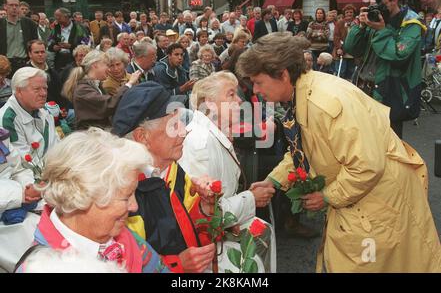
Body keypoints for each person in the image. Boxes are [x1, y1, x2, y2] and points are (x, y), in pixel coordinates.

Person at [237, 32, 441, 272]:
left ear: (282, 74)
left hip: (377, 201)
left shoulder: (323, 103)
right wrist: (272, 181)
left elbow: (366, 166)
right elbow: (302, 150)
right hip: (365, 197)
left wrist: (326, 196)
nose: (256, 89)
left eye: (259, 82)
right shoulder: (305, 91)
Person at [16, 128, 169, 273]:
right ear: (82, 197)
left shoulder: (120, 235)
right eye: (125, 197)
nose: (134, 206)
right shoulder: (42, 267)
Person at [111, 82, 216, 273]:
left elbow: (193, 232)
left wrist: (205, 207)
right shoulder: (123, 193)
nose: (184, 132)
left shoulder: (172, 170)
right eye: (173, 126)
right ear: (142, 136)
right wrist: (176, 265)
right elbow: (124, 263)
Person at [179, 71, 276, 272]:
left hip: (220, 233)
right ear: (209, 104)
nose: (239, 100)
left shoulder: (213, 133)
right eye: (231, 94)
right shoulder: (200, 142)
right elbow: (202, 213)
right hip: (208, 251)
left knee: (263, 230)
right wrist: (251, 197)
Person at [344, 0, 425, 138]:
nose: (377, 9)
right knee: (364, 143)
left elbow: (398, 55)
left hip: (389, 93)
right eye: (373, 5)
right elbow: (351, 48)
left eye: (381, 4)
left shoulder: (410, 23)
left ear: (394, 1)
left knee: (389, 148)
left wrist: (381, 30)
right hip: (364, 89)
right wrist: (360, 26)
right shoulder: (373, 18)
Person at [62, 50, 141, 130]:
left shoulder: (95, 85)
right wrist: (129, 84)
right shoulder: (82, 90)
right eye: (107, 65)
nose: (109, 69)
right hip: (90, 137)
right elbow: (109, 104)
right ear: (95, 65)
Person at [0, 67, 59, 168]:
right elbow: (24, 162)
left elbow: (57, 146)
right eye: (37, 89)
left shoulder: (44, 111)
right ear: (19, 91)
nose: (43, 94)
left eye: (45, 88)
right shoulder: (7, 119)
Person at [0, 130, 41, 273]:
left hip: (14, 205)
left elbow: (18, 169)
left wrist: (28, 186)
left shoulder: (1, 136)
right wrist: (21, 194)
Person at [0, 0, 38, 76]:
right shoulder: (1, 24)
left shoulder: (29, 23)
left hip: (25, 63)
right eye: (11, 5)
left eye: (16, 5)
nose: (14, 8)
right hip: (5, 64)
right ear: (5, 6)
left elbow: (35, 43)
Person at [26, 40, 67, 108]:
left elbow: (61, 95)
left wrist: (63, 109)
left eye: (42, 52)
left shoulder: (54, 73)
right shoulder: (25, 73)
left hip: (57, 110)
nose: (40, 54)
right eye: (36, 52)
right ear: (30, 54)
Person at [48, 8, 90, 72]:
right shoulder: (56, 27)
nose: (56, 18)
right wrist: (53, 47)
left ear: (66, 16)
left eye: (58, 16)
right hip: (59, 58)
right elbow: (49, 40)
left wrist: (71, 46)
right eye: (55, 16)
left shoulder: (80, 28)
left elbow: (86, 44)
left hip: (75, 59)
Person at [333, 4, 357, 80]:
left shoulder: (357, 24)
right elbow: (336, 37)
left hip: (353, 54)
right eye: (347, 12)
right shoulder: (340, 23)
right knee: (340, 73)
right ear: (344, 13)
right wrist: (339, 48)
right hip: (342, 52)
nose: (349, 14)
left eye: (351, 12)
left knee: (351, 73)